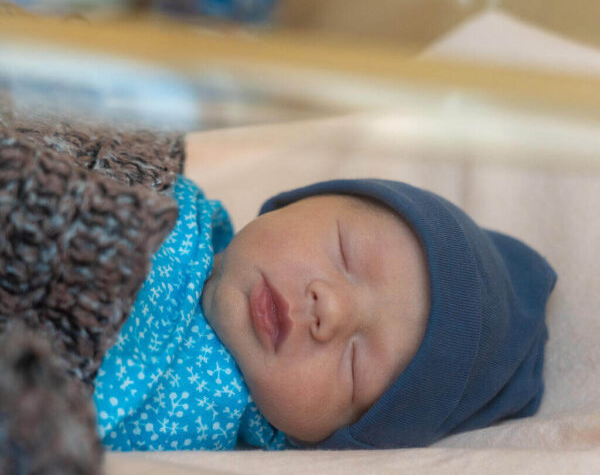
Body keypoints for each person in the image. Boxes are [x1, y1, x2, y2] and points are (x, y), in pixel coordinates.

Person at [93, 169, 557, 452]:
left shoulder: (198, 417)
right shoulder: (162, 189)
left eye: (356, 362)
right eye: (344, 252)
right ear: (297, 201)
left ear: (331, 437)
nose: (329, 309)